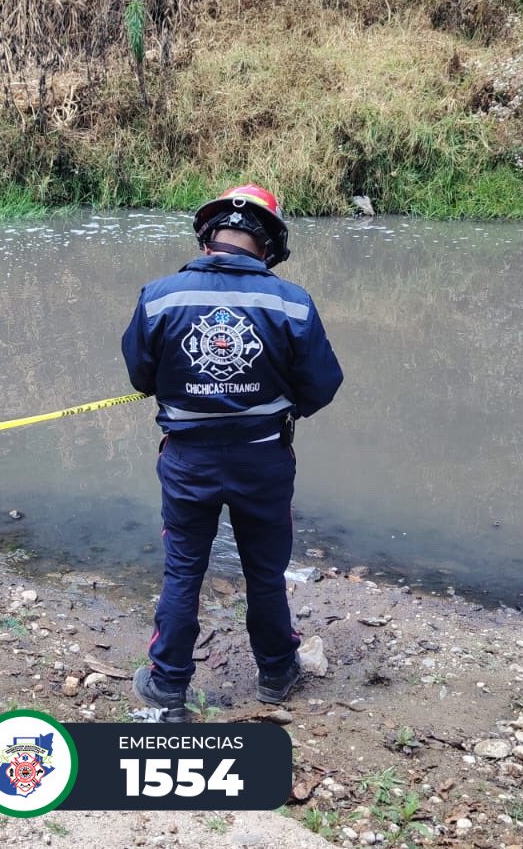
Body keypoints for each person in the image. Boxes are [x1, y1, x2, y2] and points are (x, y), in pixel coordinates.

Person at [121, 184, 343, 722]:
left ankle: (168, 685)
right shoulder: (291, 302)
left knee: (183, 571)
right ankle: (275, 673)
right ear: (268, 245)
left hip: (187, 463)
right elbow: (321, 385)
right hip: (263, 461)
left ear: (208, 237)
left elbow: (141, 376)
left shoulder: (161, 296)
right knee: (265, 573)